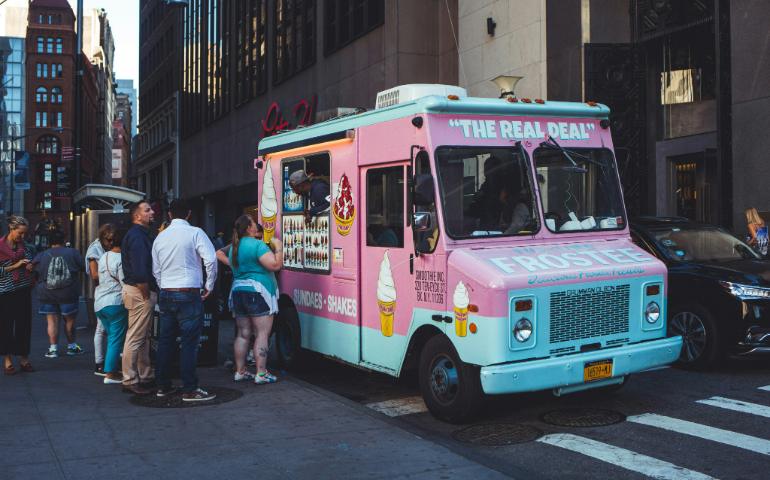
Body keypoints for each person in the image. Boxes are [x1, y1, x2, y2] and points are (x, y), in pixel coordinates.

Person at [152, 199, 218, 401]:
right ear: (189, 214)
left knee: (166, 341)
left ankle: (163, 385)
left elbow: (156, 269)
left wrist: (164, 284)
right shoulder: (195, 233)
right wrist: (209, 285)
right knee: (189, 342)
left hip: (167, 291)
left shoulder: (160, 238)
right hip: (189, 291)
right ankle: (189, 388)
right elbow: (211, 259)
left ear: (169, 214)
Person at [227, 214, 282, 384]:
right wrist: (279, 248)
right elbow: (274, 265)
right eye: (253, 223)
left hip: (237, 290)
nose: (256, 226)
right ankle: (261, 373)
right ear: (249, 228)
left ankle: (241, 371)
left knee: (243, 334)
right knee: (262, 334)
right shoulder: (257, 245)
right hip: (258, 291)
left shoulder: (234, 248)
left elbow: (220, 256)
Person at [120, 200, 157, 396]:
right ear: (137, 216)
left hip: (138, 289)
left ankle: (144, 375)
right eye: (147, 210)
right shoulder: (137, 236)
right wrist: (145, 295)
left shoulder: (139, 235)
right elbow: (141, 270)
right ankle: (130, 379)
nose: (152, 212)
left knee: (142, 337)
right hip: (139, 290)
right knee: (136, 337)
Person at [32, 229, 85, 358]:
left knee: (51, 321)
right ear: (63, 240)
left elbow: (33, 269)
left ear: (49, 242)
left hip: (47, 292)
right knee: (70, 321)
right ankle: (72, 347)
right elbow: (84, 267)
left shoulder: (42, 255)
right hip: (68, 292)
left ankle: (53, 349)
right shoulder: (72, 252)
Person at [0, 216, 35, 375]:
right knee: (5, 327)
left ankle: (24, 359)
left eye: (24, 234)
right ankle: (7, 360)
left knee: (24, 325)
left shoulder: (26, 248)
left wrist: (30, 266)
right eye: (20, 233)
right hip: (4, 292)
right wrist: (14, 266)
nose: (22, 237)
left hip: (23, 289)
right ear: (11, 229)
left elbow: (32, 263)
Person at [94, 227, 128, 385]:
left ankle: (113, 367)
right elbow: (124, 282)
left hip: (100, 303)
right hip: (115, 302)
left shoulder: (104, 256)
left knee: (112, 338)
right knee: (116, 339)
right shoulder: (121, 259)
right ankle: (111, 373)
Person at [85, 224, 115, 376]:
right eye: (109, 240)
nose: (111, 243)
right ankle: (100, 363)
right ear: (103, 238)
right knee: (101, 329)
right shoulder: (94, 249)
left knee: (106, 330)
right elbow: (94, 274)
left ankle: (104, 363)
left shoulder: (105, 248)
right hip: (103, 291)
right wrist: (112, 273)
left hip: (108, 292)